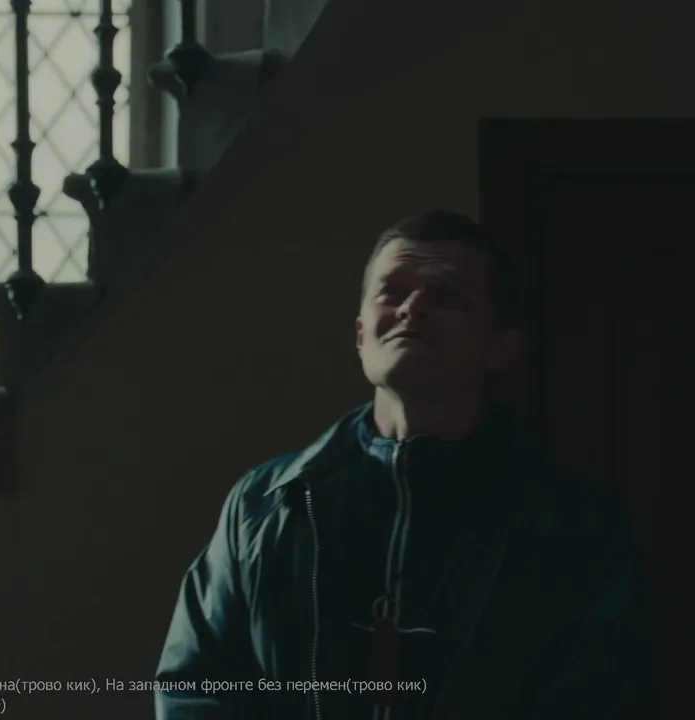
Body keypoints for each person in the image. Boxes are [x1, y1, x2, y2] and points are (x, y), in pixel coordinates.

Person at [155, 211, 656, 718]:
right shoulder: (265, 505)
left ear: (500, 347)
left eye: (448, 297)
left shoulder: (574, 530)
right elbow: (195, 688)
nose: (411, 308)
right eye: (391, 292)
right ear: (360, 334)